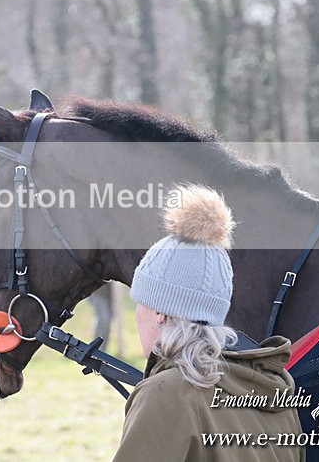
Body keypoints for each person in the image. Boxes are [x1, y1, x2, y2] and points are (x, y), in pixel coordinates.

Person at [114, 186, 303, 461]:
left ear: (160, 314)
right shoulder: (277, 390)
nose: (135, 315)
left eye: (140, 303)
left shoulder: (165, 395)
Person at [90, 282, 114, 352]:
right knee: (103, 319)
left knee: (108, 322)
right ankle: (95, 350)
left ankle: (102, 351)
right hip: (98, 291)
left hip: (109, 293)